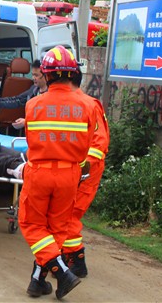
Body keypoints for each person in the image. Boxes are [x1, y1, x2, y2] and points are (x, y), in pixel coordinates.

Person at [18, 45, 96, 300]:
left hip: (39, 172)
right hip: (70, 174)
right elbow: (86, 148)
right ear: (72, 74)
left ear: (47, 74)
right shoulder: (87, 105)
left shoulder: (32, 105)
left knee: (31, 224)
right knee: (57, 229)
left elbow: (31, 141)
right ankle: (37, 280)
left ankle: (62, 273)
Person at [61, 71, 110, 278]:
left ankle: (77, 261)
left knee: (70, 215)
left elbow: (99, 142)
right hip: (72, 170)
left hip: (86, 172)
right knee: (62, 215)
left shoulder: (87, 105)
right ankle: (67, 257)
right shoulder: (69, 104)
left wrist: (83, 168)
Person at [0, 60, 47, 129]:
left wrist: (26, 122)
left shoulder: (52, 94)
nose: (33, 78)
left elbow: (48, 120)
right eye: (32, 75)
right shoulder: (34, 90)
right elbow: (17, 100)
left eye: (36, 75)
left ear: (46, 75)